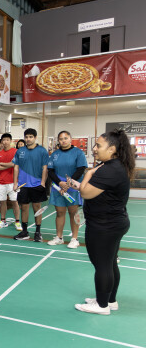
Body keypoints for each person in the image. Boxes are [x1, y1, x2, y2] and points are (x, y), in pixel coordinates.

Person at [69, 130, 134, 315]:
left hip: (105, 226)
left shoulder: (109, 169)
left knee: (103, 265)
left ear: (112, 149)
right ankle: (109, 300)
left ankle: (102, 306)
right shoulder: (113, 166)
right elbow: (96, 191)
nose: (94, 148)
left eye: (98, 145)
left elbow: (86, 192)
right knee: (110, 263)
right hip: (113, 222)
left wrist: (89, 173)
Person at [46, 130, 88, 248]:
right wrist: (60, 183)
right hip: (58, 187)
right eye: (61, 139)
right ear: (58, 141)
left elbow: (81, 169)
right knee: (59, 212)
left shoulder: (78, 153)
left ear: (70, 139)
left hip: (73, 187)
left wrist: (68, 184)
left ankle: (74, 239)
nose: (63, 141)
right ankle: (59, 237)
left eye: (65, 138)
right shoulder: (55, 154)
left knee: (73, 213)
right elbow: (50, 171)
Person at [13, 128, 49, 242]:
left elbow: (45, 168)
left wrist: (43, 182)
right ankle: (24, 232)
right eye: (26, 137)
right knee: (24, 208)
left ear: (35, 138)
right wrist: (15, 183)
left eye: (30, 137)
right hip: (23, 185)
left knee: (37, 208)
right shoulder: (20, 151)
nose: (28, 139)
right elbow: (16, 167)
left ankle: (38, 232)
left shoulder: (42, 151)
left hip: (37, 184)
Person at [0, 134, 21, 231]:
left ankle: (17, 221)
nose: (5, 142)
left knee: (15, 202)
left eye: (7, 140)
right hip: (1, 182)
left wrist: (3, 164)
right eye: (4, 140)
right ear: (1, 142)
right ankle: (3, 220)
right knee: (2, 201)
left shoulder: (15, 152)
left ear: (11, 141)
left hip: (13, 182)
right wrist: (9, 165)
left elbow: (15, 164)